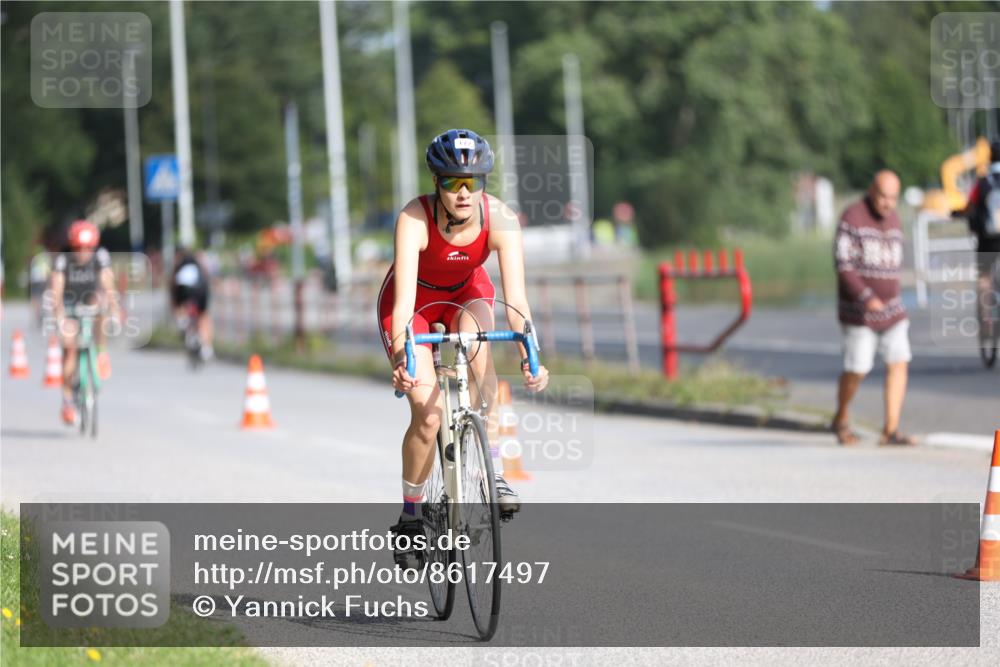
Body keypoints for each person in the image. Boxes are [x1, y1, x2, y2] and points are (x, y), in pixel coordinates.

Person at [377, 129, 550, 567]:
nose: (463, 192)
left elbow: (517, 303)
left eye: (473, 182)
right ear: (436, 183)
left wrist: (533, 354)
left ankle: (489, 472)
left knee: (478, 353)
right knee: (429, 414)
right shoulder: (414, 219)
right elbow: (400, 309)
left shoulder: (502, 220)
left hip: (466, 292)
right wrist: (403, 357)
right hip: (413, 301)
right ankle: (412, 515)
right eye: (453, 182)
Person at [831, 171, 915, 446]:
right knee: (858, 368)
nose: (888, 203)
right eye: (883, 196)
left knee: (899, 360)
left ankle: (890, 430)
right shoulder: (852, 217)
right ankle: (841, 417)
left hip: (892, 309)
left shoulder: (894, 219)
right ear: (871, 191)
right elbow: (843, 264)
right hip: (860, 313)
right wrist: (866, 296)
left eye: (893, 197)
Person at [50, 220, 120, 425]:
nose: (83, 253)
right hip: (70, 302)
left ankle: (101, 353)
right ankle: (67, 400)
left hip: (90, 299)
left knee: (101, 309)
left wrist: (114, 310)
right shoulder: (63, 259)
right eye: (78, 248)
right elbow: (56, 289)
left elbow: (108, 284)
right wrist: (59, 315)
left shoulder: (100, 256)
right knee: (69, 348)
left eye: (88, 248)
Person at [955, 140, 1000, 340]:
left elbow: (969, 206)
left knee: (984, 278)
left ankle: (986, 321)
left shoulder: (983, 182)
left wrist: (958, 214)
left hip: (989, 239)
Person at [170, 248, 214, 361]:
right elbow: (206, 278)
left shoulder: (178, 265)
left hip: (184, 290)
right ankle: (207, 347)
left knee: (180, 304)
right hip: (201, 290)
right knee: (203, 316)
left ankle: (182, 321)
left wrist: (175, 309)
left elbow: (173, 288)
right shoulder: (197, 263)